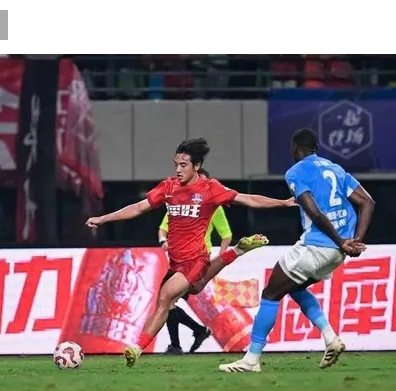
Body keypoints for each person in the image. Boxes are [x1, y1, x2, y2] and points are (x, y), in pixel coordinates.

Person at [85, 137, 295, 367]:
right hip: (175, 261)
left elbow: (248, 199)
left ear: (196, 166)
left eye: (183, 165)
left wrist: (283, 203)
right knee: (195, 288)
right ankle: (237, 251)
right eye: (176, 164)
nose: (178, 170)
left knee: (165, 297)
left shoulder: (210, 189)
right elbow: (138, 207)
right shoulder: (168, 187)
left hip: (196, 259)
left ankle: (136, 348)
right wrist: (103, 219)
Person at [219, 128, 375, 373]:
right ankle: (330, 338)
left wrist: (340, 241)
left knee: (270, 293)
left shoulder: (296, 172)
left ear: (294, 148)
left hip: (319, 245)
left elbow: (314, 212)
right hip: (337, 252)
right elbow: (367, 202)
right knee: (294, 287)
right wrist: (354, 241)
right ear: (316, 148)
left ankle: (251, 360)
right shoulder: (335, 168)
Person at [158, 167, 232, 354]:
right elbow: (163, 227)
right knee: (166, 301)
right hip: (178, 260)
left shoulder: (213, 204)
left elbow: (226, 235)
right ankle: (197, 332)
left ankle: (177, 344)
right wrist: (163, 240)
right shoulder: (179, 202)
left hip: (197, 260)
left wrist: (219, 261)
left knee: (167, 301)